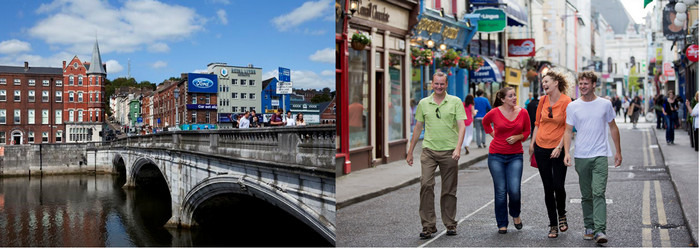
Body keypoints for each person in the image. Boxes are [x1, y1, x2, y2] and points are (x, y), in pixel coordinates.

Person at [563, 71, 622, 244]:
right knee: (587, 194)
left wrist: (618, 151)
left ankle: (599, 230)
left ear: (594, 84)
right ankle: (589, 226)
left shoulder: (605, 104)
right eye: (580, 84)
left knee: (598, 192)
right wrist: (567, 152)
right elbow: (567, 130)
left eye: (585, 83)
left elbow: (613, 127)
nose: (582, 86)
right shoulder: (573, 106)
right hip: (581, 155)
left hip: (600, 154)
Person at [406, 71, 467, 239]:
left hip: (449, 151)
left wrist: (458, 148)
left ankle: (450, 224)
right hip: (429, 151)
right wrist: (410, 151)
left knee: (448, 190)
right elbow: (418, 127)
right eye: (436, 83)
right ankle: (428, 225)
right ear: (431, 84)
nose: (439, 86)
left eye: (442, 84)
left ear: (446, 85)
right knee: (426, 185)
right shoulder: (423, 103)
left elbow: (462, 126)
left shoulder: (455, 102)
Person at [528, 71, 572, 238]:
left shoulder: (567, 102)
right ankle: (553, 224)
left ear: (556, 83)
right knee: (548, 188)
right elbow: (537, 123)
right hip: (541, 148)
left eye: (546, 81)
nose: (544, 84)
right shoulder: (543, 100)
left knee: (558, 186)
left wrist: (560, 147)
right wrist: (532, 144)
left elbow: (569, 128)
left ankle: (562, 214)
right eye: (543, 82)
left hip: (558, 148)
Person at [482, 87, 531, 234]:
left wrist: (518, 137)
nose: (514, 98)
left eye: (515, 95)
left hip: (515, 155)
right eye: (510, 96)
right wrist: (493, 135)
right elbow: (485, 123)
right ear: (503, 99)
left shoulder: (523, 112)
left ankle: (515, 214)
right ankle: (502, 223)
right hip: (496, 156)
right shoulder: (495, 112)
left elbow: (527, 131)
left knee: (514, 189)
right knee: (501, 191)